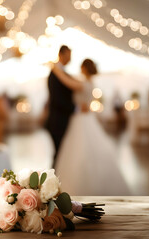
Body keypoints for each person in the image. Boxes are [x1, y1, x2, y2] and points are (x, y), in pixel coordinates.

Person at [52, 59, 130, 195]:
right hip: (85, 118)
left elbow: (67, 82)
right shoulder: (90, 83)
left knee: (79, 150)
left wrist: (56, 70)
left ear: (85, 68)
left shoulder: (84, 84)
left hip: (80, 118)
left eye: (81, 66)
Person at [45, 45, 74, 168]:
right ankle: (55, 180)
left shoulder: (62, 73)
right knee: (59, 152)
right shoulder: (55, 74)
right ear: (61, 55)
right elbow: (57, 99)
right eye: (68, 56)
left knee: (63, 152)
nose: (70, 59)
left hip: (63, 119)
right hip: (58, 120)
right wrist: (75, 108)